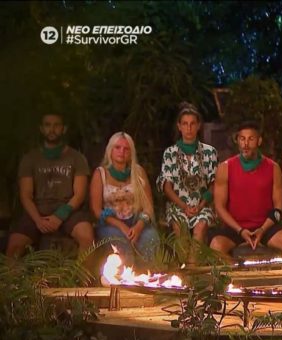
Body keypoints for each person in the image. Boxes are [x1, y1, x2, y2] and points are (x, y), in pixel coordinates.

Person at [209, 121, 282, 270]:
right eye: (242, 139)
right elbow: (219, 207)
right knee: (216, 245)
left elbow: (278, 208)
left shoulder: (273, 168)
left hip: (265, 227)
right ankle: (237, 279)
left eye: (250, 139)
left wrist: (262, 229)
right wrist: (240, 230)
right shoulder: (225, 168)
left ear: (259, 141)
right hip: (236, 228)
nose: (246, 144)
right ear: (237, 141)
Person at [6, 111, 94, 259]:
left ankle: (81, 274)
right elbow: (26, 195)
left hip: (68, 210)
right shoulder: (30, 158)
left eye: (56, 125)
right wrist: (38, 220)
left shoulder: (76, 158)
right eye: (47, 125)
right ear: (41, 128)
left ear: (64, 129)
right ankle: (14, 275)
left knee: (87, 237)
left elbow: (79, 194)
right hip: (37, 210)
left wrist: (59, 216)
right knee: (14, 246)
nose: (52, 129)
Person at [157, 102, 218, 262]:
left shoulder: (209, 152)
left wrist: (201, 205)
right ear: (179, 126)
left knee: (200, 227)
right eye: (185, 124)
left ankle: (192, 269)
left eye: (192, 124)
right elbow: (167, 186)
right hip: (178, 205)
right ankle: (186, 268)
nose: (189, 128)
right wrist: (184, 206)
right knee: (180, 228)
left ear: (198, 126)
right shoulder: (170, 153)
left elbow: (213, 185)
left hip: (201, 205)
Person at [90, 132, 159, 265]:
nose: (121, 152)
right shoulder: (100, 174)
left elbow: (148, 207)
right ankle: (125, 276)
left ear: (131, 152)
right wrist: (121, 226)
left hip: (136, 221)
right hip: (111, 223)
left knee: (150, 238)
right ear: (110, 150)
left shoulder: (138, 172)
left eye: (126, 149)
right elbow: (96, 210)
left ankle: (147, 275)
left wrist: (138, 227)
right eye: (117, 147)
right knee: (121, 242)